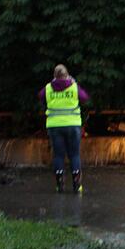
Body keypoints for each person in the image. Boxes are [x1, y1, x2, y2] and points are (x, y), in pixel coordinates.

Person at [38, 64, 90, 193]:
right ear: (67, 75)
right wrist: (74, 83)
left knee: (58, 155)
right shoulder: (73, 87)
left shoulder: (48, 88)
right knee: (74, 155)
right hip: (73, 126)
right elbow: (84, 98)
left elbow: (40, 96)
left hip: (55, 126)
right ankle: (77, 185)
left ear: (54, 76)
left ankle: (59, 184)